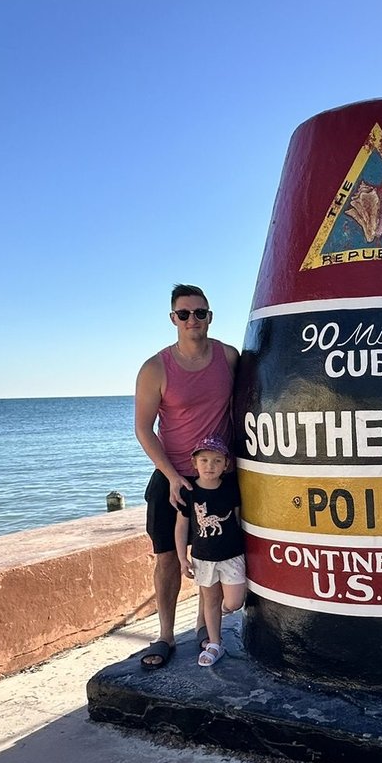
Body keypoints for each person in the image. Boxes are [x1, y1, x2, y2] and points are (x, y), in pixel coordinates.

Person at [132, 284, 237, 670]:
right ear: (173, 318)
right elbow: (144, 429)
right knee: (167, 559)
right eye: (184, 314)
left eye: (200, 313)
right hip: (173, 476)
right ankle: (164, 635)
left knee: (217, 555)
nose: (193, 320)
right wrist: (172, 476)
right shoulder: (156, 368)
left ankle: (203, 628)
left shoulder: (228, 357)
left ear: (210, 316)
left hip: (218, 475)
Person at [174, 436, 246, 667]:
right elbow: (182, 525)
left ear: (226, 464)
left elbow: (236, 518)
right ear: (194, 463)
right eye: (203, 460)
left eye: (216, 461)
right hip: (202, 557)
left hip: (232, 554)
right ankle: (215, 642)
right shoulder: (189, 492)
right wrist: (181, 557)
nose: (210, 466)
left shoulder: (231, 488)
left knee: (234, 602)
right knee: (210, 600)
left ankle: (222, 611)